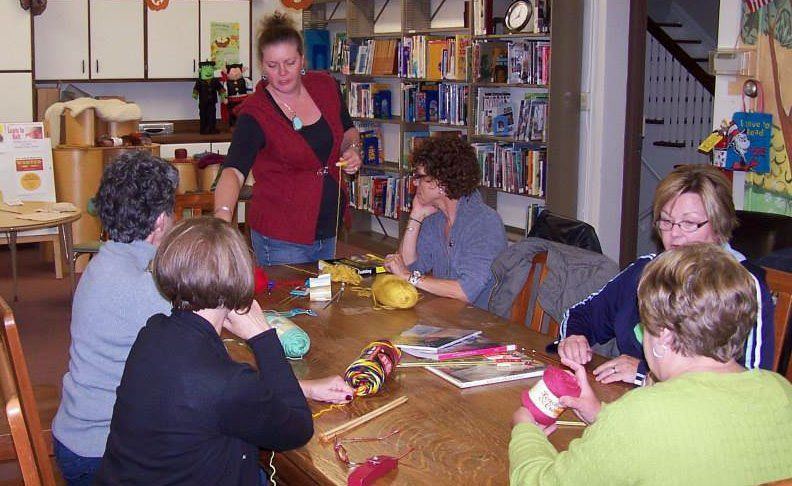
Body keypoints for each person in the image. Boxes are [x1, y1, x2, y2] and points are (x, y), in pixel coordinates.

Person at [95, 217, 354, 484]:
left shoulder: (153, 332)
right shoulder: (227, 383)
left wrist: (307, 388)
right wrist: (263, 337)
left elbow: (211, 398)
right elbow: (298, 430)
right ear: (240, 280)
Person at [510, 245, 792, 485]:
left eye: (646, 324)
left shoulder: (643, 413)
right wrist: (601, 415)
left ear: (664, 335)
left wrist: (525, 429)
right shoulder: (780, 390)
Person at [558, 164, 774, 385]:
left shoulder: (744, 284)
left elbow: (750, 384)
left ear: (719, 226)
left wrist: (646, 373)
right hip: (628, 399)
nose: (674, 235)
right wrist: (574, 338)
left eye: (689, 223)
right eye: (666, 221)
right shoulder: (646, 270)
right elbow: (581, 316)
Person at [52, 152, 179, 486]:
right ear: (161, 223)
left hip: (80, 437)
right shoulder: (142, 290)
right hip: (103, 455)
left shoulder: (103, 264)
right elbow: (208, 358)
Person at [214, 12, 362, 265]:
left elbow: (347, 130)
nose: (282, 73)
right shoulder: (255, 112)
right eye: (273, 65)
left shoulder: (326, 87)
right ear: (262, 65)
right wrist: (222, 219)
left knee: (326, 303)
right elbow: (234, 171)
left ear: (302, 59)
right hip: (281, 237)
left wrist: (353, 150)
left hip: (330, 227)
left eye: (290, 63)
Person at [383, 136, 506, 308]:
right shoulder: (436, 216)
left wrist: (408, 277)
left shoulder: (484, 223)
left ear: (441, 182)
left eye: (419, 176)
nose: (414, 182)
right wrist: (416, 216)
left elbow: (465, 291)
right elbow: (410, 266)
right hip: (448, 312)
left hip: (480, 321)